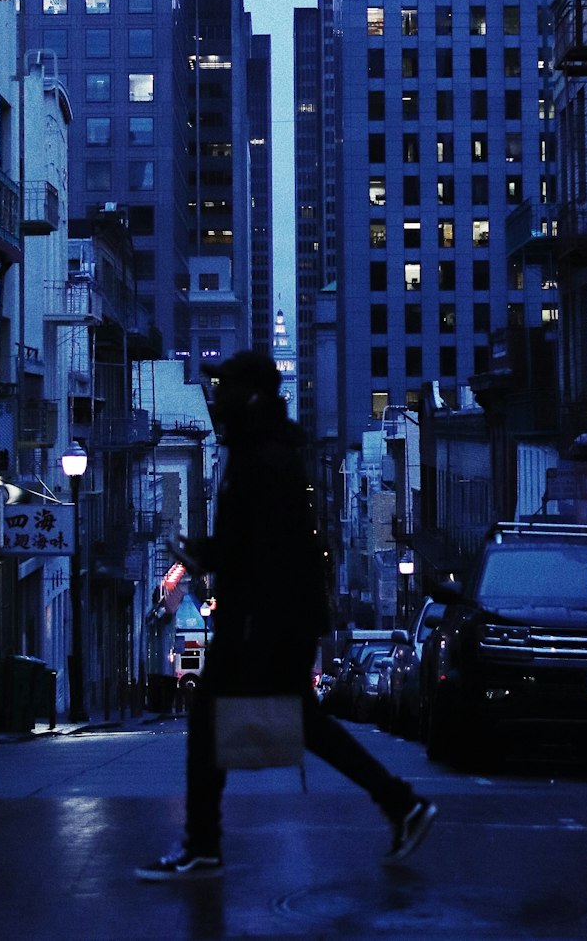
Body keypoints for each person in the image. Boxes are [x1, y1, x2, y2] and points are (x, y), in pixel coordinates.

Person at [135, 350, 436, 881]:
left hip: (264, 623)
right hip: (269, 620)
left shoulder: (265, 458)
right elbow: (251, 542)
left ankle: (204, 844)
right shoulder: (260, 451)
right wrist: (208, 553)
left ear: (249, 396)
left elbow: (269, 553)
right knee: (301, 724)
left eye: (224, 386)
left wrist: (238, 600)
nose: (215, 395)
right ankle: (400, 803)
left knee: (215, 717)